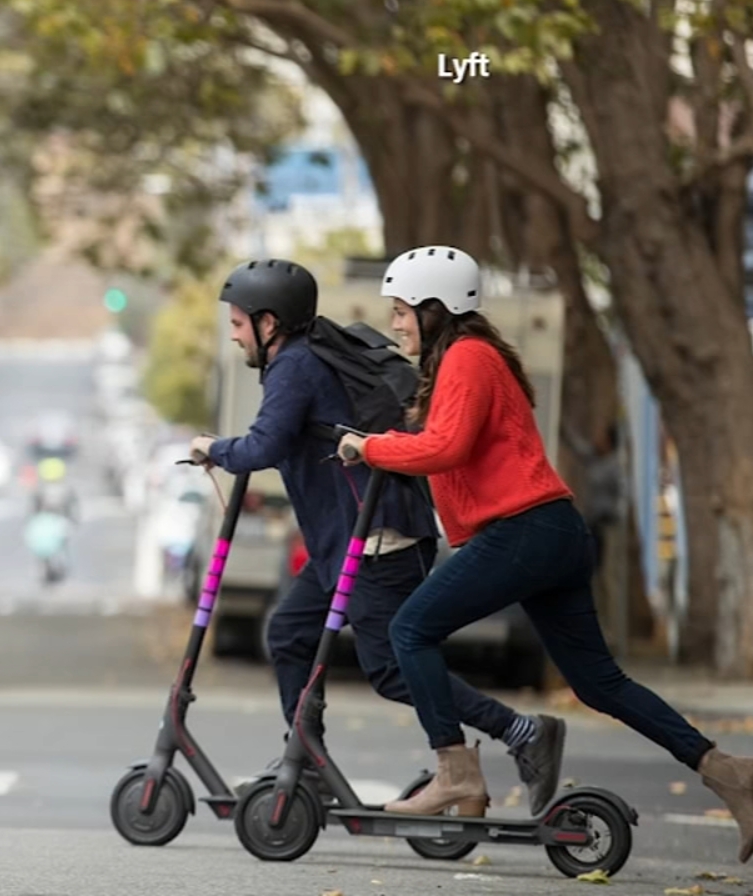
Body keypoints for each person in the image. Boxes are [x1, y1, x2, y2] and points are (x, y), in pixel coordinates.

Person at [338, 246, 753, 861]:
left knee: (409, 631)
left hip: (522, 532)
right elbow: (449, 447)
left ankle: (455, 771)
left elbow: (445, 447)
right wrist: (391, 446)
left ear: (435, 308)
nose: (395, 322)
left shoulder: (468, 356)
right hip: (550, 533)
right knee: (599, 683)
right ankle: (726, 770)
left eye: (401, 310)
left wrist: (370, 448)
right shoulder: (466, 359)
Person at [187, 258, 566, 812]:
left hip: (378, 541)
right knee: (289, 633)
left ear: (269, 323)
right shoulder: (311, 351)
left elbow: (264, 445)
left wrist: (213, 448)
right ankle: (306, 761)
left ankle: (520, 731)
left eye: (239, 322)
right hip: (346, 544)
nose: (234, 333)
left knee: (390, 668)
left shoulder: (295, 364)